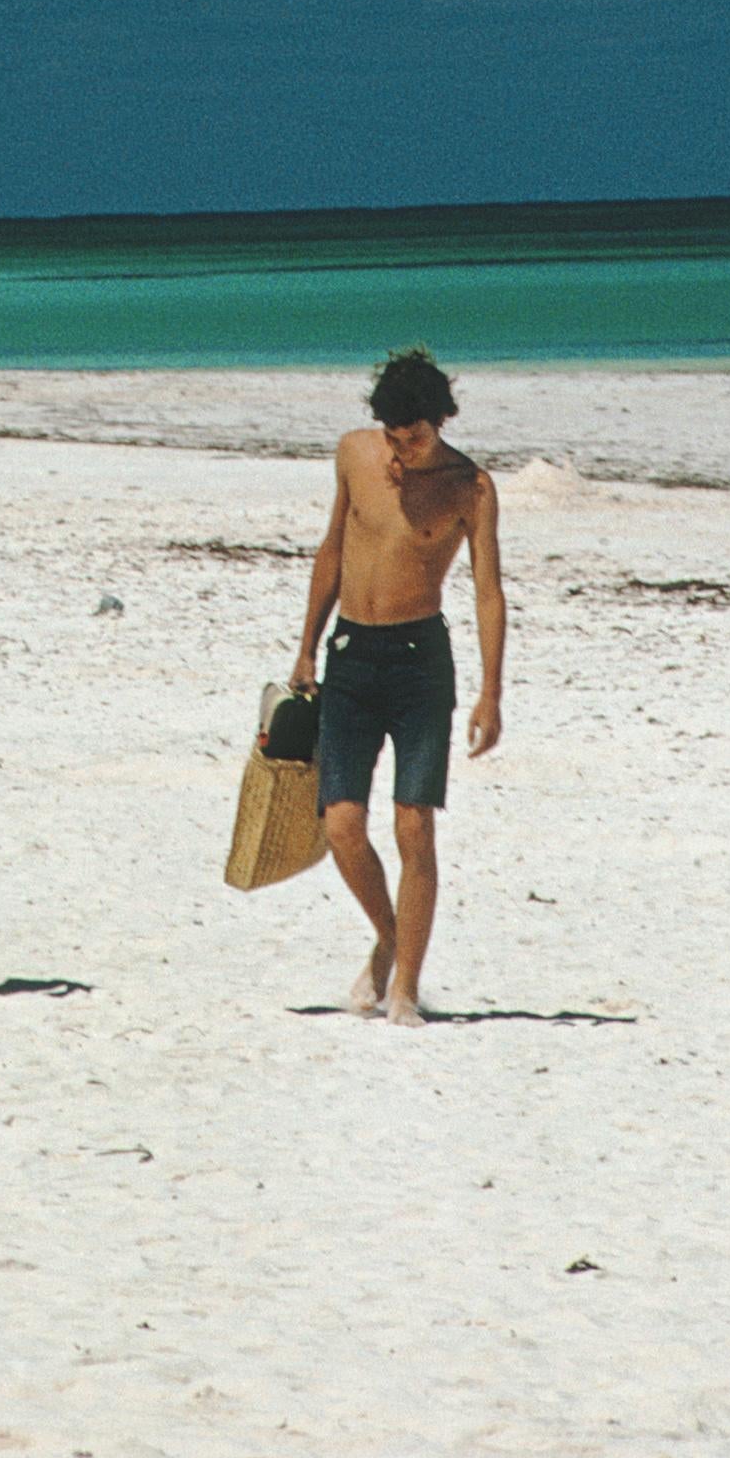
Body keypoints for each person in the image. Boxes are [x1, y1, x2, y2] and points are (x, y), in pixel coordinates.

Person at [287, 345, 506, 1022]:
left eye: (413, 437)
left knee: (415, 827)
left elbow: (489, 593)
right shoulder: (354, 455)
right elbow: (332, 550)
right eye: (392, 435)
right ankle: (391, 937)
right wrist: (304, 648)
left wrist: (490, 691)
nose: (400, 451)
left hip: (420, 661)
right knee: (343, 826)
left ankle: (405, 985)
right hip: (350, 653)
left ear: (442, 421)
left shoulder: (470, 488)